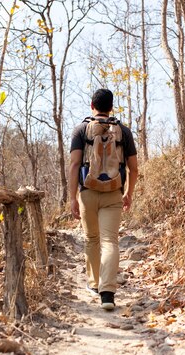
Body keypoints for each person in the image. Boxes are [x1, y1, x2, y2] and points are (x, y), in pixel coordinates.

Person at [68, 88, 139, 310]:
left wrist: (72, 197)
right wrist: (129, 193)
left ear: (92, 105)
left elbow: (74, 165)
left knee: (91, 239)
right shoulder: (123, 131)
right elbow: (134, 168)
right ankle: (108, 292)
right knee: (110, 241)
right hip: (114, 193)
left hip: (88, 192)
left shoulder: (81, 130)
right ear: (111, 107)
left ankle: (94, 283)